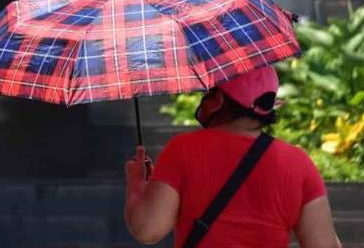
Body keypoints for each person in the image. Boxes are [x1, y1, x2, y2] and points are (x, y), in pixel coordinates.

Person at [124, 66, 341, 247]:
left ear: (218, 100)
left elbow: (148, 230)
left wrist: (137, 185)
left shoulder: (182, 150)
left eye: (208, 91)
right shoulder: (298, 163)